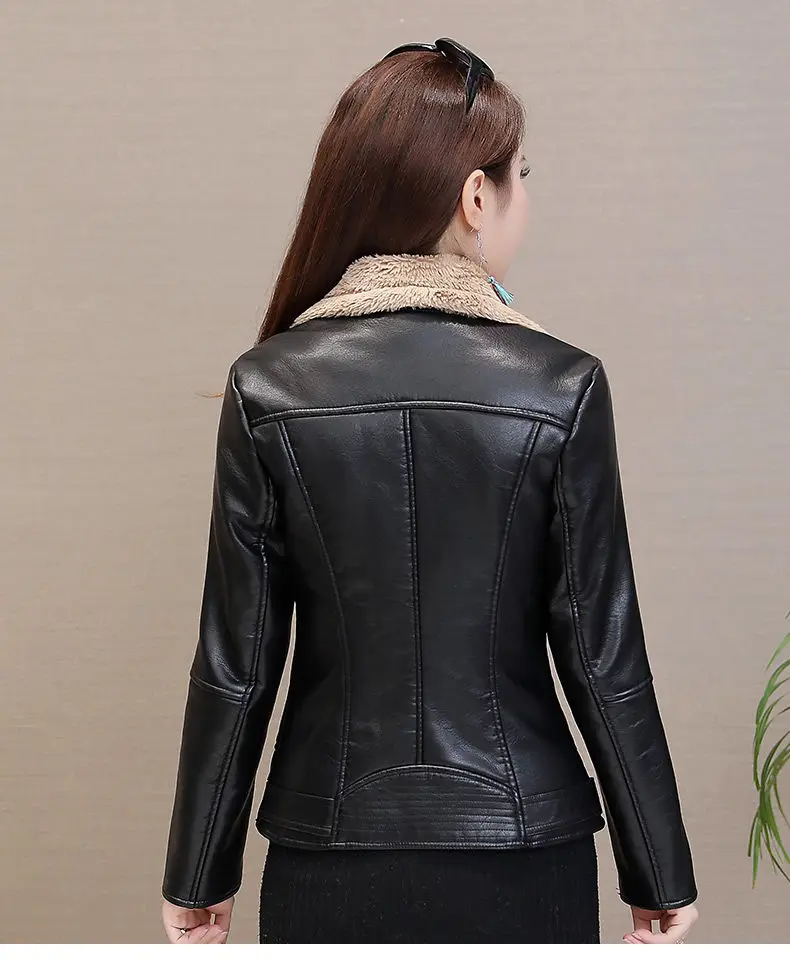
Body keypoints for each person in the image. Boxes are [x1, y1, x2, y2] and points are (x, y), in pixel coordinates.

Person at [159, 37, 699, 944]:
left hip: (327, 853)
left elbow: (237, 663)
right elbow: (604, 656)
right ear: (476, 196)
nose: (525, 200)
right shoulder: (561, 386)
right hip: (526, 851)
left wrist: (197, 871)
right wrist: (660, 871)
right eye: (521, 178)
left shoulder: (269, 386)